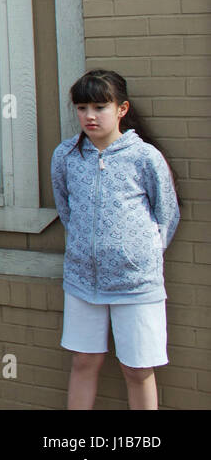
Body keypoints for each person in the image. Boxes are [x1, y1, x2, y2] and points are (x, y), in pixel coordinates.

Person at [52, 69, 178, 410]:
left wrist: (139, 253)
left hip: (136, 283)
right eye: (81, 108)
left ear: (121, 109)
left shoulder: (145, 157)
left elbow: (166, 214)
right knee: (83, 362)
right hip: (82, 279)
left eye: (99, 107)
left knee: (137, 370)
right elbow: (66, 209)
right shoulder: (65, 157)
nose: (89, 116)